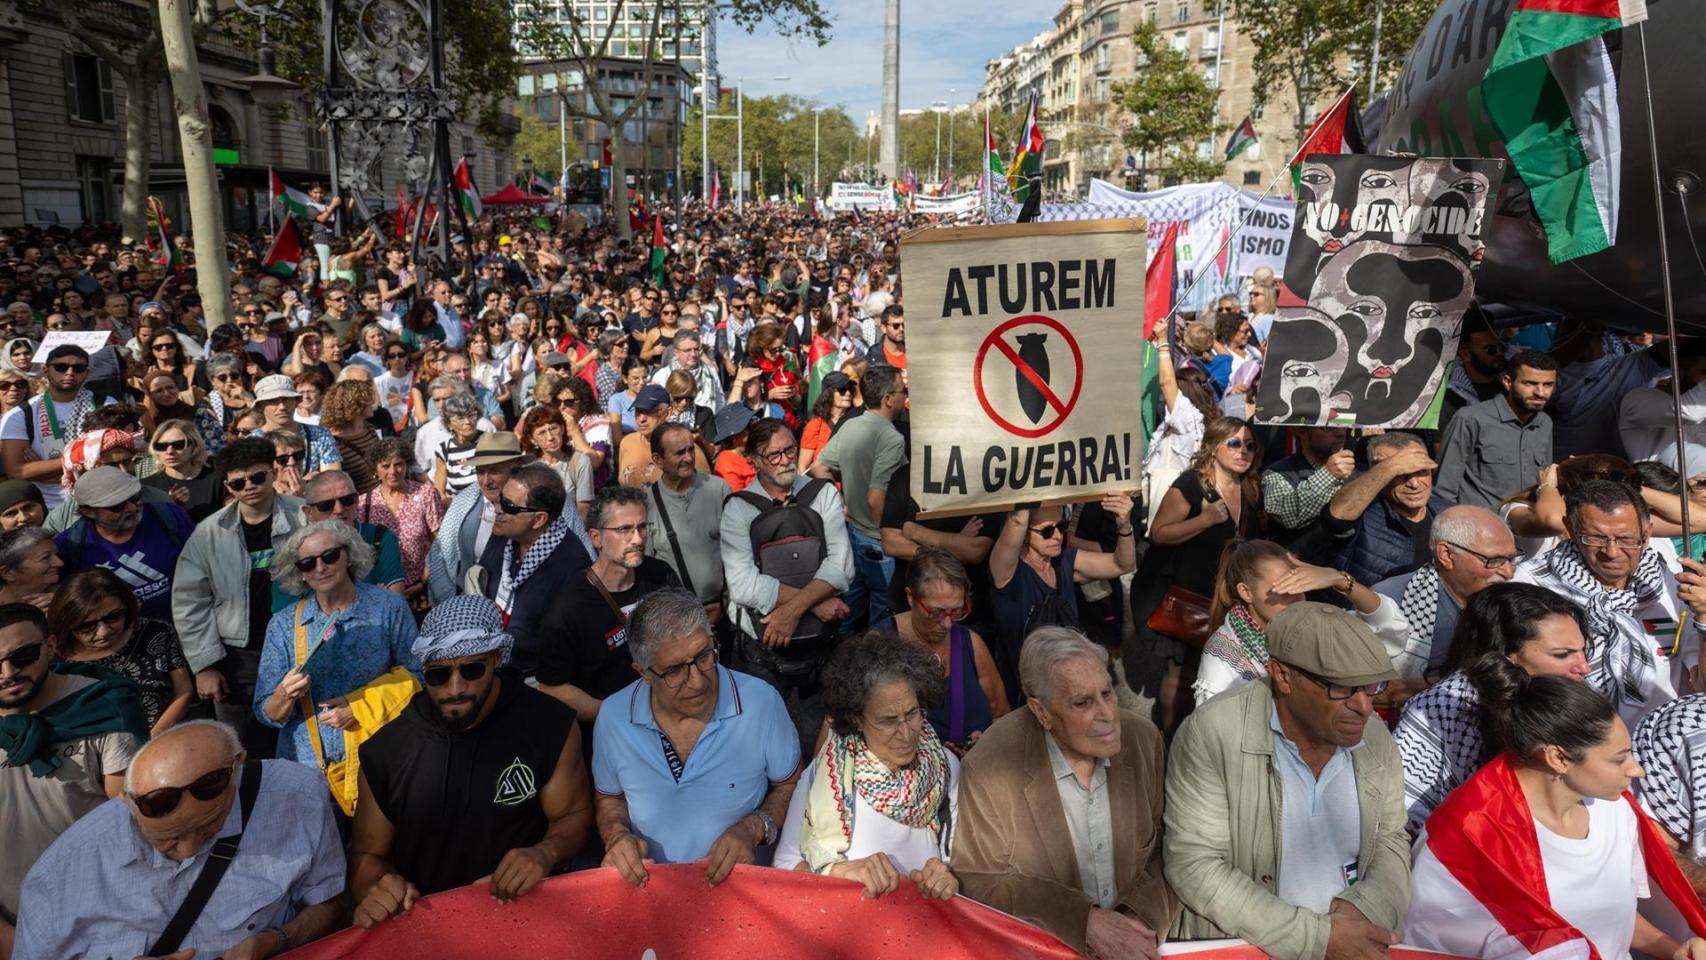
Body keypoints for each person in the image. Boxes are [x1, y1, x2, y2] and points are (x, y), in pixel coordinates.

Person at [1164, 602, 1411, 960]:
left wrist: (1362, 911)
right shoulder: (1213, 733)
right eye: (1342, 688)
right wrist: (1319, 939)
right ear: (1282, 676)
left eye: (1371, 686)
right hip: (1250, 949)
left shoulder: (1374, 738)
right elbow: (1194, 865)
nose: (1365, 707)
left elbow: (1390, 839)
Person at [1406, 676, 1706, 960]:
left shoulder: (1614, 808)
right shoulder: (1468, 836)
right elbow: (1433, 944)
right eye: (1620, 759)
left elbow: (1617, 918)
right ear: (1558, 758)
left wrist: (1675, 951)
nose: (1636, 770)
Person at [350, 595, 593, 925]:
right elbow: (368, 854)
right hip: (430, 932)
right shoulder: (386, 751)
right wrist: (378, 888)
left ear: (496, 660)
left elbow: (574, 814)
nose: (455, 687)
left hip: (526, 921)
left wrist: (544, 854)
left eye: (472, 669)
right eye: (437, 675)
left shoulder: (550, 725)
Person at [12, 720, 346, 960]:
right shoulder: (59, 876)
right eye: (168, 841)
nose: (189, 851)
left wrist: (278, 940)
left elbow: (329, 902)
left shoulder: (296, 795)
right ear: (126, 804)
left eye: (210, 828)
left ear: (237, 771)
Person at [953, 627, 1175, 958]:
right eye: (1082, 703)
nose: (1107, 716)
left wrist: (1136, 922)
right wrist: (1085, 922)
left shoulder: (1142, 740)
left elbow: (1169, 848)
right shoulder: (990, 766)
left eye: (1107, 693)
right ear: (1041, 712)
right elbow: (982, 881)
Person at [593, 589, 801, 885]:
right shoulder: (613, 718)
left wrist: (753, 829)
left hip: (743, 893)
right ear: (643, 673)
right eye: (675, 671)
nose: (698, 681)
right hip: (653, 893)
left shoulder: (760, 702)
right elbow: (609, 799)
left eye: (704, 655)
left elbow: (790, 784)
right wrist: (617, 837)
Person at [0, 601, 146, 953]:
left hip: (110, 915)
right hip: (14, 926)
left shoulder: (104, 708)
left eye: (22, 656)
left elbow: (136, 824)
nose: (7, 673)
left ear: (50, 646)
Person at [773, 631, 959, 901]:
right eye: (887, 721)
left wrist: (948, 876)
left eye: (912, 714)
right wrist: (839, 871)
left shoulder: (946, 767)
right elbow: (784, 867)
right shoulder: (824, 776)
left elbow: (957, 861)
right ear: (857, 719)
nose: (906, 734)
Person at [1393, 583, 1591, 836]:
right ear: (1509, 655)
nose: (1584, 667)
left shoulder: (1573, 691)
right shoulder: (1442, 708)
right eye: (1563, 655)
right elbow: (1407, 817)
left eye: (1582, 651)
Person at [255, 519, 420, 816]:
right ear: (299, 573)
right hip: (306, 772)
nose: (320, 568)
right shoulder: (283, 625)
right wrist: (284, 694)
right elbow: (266, 713)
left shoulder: (389, 608)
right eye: (307, 563)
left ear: (349, 555)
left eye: (329, 556)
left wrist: (359, 706)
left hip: (379, 762)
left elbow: (419, 677)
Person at [174, 437, 309, 756]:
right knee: (242, 750)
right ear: (228, 486)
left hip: (300, 644)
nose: (249, 486)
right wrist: (205, 665)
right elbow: (189, 601)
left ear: (273, 472)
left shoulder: (303, 516)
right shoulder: (208, 532)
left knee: (303, 737)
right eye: (238, 482)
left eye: (258, 476)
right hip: (238, 657)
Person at [1513, 479, 1686, 722]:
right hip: (1575, 740)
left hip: (1665, 740)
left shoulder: (1677, 583)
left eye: (1626, 539)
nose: (1612, 552)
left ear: (1647, 535)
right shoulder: (1530, 586)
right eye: (1596, 538)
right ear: (1570, 530)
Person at [721, 419, 853, 729]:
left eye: (790, 450)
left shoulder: (823, 494)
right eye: (774, 455)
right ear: (753, 460)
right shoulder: (738, 509)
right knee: (762, 732)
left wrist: (792, 610)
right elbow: (742, 584)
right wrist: (816, 603)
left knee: (823, 730)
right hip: (761, 648)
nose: (785, 460)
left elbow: (841, 564)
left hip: (820, 644)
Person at [1197, 539, 1407, 706]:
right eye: (1284, 588)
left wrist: (1340, 580)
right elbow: (1216, 736)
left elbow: (1389, 632)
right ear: (1246, 592)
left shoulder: (1315, 625)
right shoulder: (1224, 655)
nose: (1297, 596)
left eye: (1301, 584)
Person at [537, 486, 681, 721]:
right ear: (596, 538)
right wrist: (615, 716)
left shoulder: (660, 575)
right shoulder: (568, 607)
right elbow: (552, 687)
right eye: (624, 529)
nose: (638, 539)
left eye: (642, 527)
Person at [989, 494, 1138, 708]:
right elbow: (1016, 520)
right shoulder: (1007, 572)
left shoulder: (1064, 561)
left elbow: (1123, 565)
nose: (1058, 536)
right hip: (1028, 696)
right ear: (1023, 536)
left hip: (1071, 689)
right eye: (1047, 531)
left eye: (1062, 526)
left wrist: (1124, 526)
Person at [877, 547, 1008, 751]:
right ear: (911, 598)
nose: (947, 624)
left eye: (957, 611)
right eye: (936, 613)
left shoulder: (972, 644)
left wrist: (986, 742)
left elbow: (1000, 713)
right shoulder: (878, 644)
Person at [1374, 504, 1520, 682]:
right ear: (1447, 555)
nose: (1509, 572)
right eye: (1494, 560)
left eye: (1512, 559)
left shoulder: (1515, 602)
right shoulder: (1388, 603)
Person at [812, 364, 908, 628]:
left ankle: (840, 662)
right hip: (879, 543)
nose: (905, 396)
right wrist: (888, 536)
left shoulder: (852, 424)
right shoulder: (892, 438)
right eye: (903, 391)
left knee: (849, 614)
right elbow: (875, 498)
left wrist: (843, 502)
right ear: (888, 398)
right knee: (883, 619)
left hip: (853, 535)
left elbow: (820, 467)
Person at [478, 462, 593, 676]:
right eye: (501, 498)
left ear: (539, 519)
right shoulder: (503, 534)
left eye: (509, 505)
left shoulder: (571, 566)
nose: (497, 508)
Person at [53, 464, 194, 623]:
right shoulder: (69, 545)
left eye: (135, 498)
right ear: (88, 511)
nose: (132, 508)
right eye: (117, 506)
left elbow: (201, 564)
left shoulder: (170, 516)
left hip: (184, 626)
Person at [1435, 349, 1557, 509]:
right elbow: (1444, 489)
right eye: (1530, 383)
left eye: (1548, 385)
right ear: (1508, 382)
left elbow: (1543, 483)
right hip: (1479, 527)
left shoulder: (1544, 423)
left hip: (1527, 527)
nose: (1540, 393)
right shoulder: (1471, 419)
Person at [1324, 431, 1449, 587]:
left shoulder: (1448, 513)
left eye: (1421, 472)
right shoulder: (1364, 512)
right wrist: (1392, 465)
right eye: (1401, 474)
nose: (1414, 484)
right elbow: (1337, 518)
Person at [427, 431, 526, 604]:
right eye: (480, 472)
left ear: (515, 468)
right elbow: (440, 554)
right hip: (467, 607)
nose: (486, 481)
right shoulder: (466, 500)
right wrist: (451, 603)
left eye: (494, 471)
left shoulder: (541, 499)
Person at [643, 421, 730, 615]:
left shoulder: (719, 490)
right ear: (658, 460)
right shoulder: (647, 503)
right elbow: (647, 567)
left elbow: (737, 552)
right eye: (679, 453)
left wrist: (725, 603)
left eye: (692, 449)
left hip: (722, 610)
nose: (689, 458)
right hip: (677, 615)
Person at [0, 344, 101, 508]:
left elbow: (114, 455)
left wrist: (45, 470)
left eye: (78, 368)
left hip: (99, 499)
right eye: (61, 367)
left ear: (87, 373)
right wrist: (86, 459)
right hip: (50, 505)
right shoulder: (19, 415)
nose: (70, 373)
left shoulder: (105, 404)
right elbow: (17, 471)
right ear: (45, 370)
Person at [358, 436, 444, 601]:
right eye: (385, 466)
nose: (392, 471)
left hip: (424, 591)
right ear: (375, 470)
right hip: (381, 595)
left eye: (398, 464)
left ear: (407, 465)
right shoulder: (365, 503)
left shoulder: (425, 494)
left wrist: (424, 581)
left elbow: (439, 543)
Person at [299, 470, 407, 595]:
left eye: (347, 500)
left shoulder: (380, 538)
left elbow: (394, 602)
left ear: (357, 501)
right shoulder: (299, 550)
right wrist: (375, 596)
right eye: (326, 505)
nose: (339, 510)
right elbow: (291, 611)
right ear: (309, 513)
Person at [1260, 426, 1354, 558]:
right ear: (1302, 432)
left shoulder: (1359, 471)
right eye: (1328, 428)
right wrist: (1328, 475)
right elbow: (1290, 516)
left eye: (1343, 425)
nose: (1340, 433)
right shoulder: (1277, 473)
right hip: (1302, 569)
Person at [251, 373, 341, 475]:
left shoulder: (320, 434)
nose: (282, 407)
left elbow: (332, 478)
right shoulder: (251, 443)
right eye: (273, 401)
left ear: (296, 401)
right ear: (260, 407)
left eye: (286, 399)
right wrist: (310, 478)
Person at [141, 417, 224, 521]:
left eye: (178, 445)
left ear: (194, 445)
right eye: (161, 446)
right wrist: (169, 505)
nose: (169, 451)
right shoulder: (146, 487)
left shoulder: (217, 480)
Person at [798, 369, 859, 475]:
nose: (848, 393)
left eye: (850, 389)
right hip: (825, 486)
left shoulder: (856, 420)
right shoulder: (815, 425)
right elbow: (802, 468)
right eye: (842, 390)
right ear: (829, 394)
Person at [0, 526, 62, 609]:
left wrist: (64, 600)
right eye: (45, 557)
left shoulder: (69, 595)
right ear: (8, 573)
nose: (60, 563)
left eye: (56, 554)